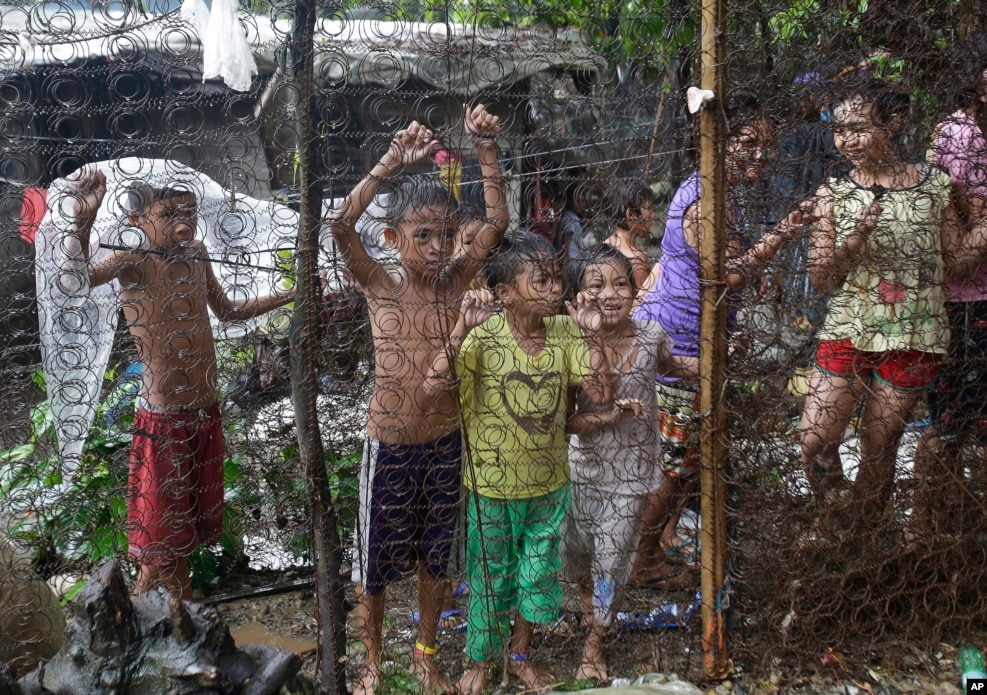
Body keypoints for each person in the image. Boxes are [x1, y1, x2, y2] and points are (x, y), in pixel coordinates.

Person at [328, 104, 507, 695]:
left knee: (437, 559)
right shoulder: (380, 283)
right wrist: (389, 160)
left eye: (445, 236)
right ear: (393, 237)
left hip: (444, 444)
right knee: (374, 568)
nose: (436, 247)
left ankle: (425, 651)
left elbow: (498, 221)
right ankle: (374, 659)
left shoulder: (457, 281)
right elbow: (338, 225)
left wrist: (485, 149)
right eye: (422, 235)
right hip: (390, 446)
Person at [61, 169, 294, 601]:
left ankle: (180, 619)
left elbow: (227, 312)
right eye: (169, 213)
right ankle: (140, 626)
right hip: (163, 422)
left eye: (189, 211)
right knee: (158, 552)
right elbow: (77, 281)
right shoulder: (130, 261)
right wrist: (83, 223)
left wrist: (284, 295)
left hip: (205, 413)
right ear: (137, 220)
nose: (183, 221)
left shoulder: (198, 254)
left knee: (180, 542)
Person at [633, 90, 811, 579]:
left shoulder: (713, 192)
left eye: (765, 147)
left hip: (692, 339)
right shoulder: (703, 199)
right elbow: (726, 274)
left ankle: (660, 542)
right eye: (748, 143)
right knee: (673, 464)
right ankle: (641, 560)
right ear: (717, 140)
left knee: (685, 457)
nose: (759, 156)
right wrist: (783, 234)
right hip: (681, 347)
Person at [424, 231, 612, 694]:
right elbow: (431, 389)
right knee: (491, 579)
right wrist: (459, 330)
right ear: (505, 293)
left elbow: (602, 395)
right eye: (542, 280)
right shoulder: (482, 339)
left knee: (538, 575)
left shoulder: (566, 332)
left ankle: (521, 656)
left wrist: (592, 337)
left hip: (549, 486)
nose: (555, 289)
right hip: (490, 489)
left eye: (556, 279)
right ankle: (480, 662)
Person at [798, 77, 983, 535]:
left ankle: (857, 538)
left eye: (859, 128)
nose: (847, 141)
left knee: (879, 445)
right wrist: (854, 240)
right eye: (840, 130)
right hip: (849, 327)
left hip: (914, 333)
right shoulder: (833, 194)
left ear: (894, 123)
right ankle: (833, 511)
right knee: (813, 440)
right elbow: (821, 279)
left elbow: (956, 265)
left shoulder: (935, 186)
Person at [561, 245, 698, 683]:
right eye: (597, 285)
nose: (611, 293)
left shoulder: (650, 335)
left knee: (613, 562)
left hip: (631, 476)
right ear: (581, 295)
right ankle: (588, 609)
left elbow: (673, 365)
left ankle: (595, 641)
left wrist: (713, 361)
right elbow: (570, 416)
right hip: (580, 470)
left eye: (621, 283)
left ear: (636, 292)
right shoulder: (571, 339)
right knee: (575, 555)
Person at [911, 32, 987, 542]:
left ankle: (951, 522)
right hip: (967, 302)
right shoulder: (962, 138)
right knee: (950, 423)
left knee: (962, 425)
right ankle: (919, 533)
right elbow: (956, 253)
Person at [601, 181, 655, 289]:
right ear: (630, 214)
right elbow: (645, 303)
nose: (653, 215)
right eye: (649, 208)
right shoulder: (636, 259)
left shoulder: (600, 251)